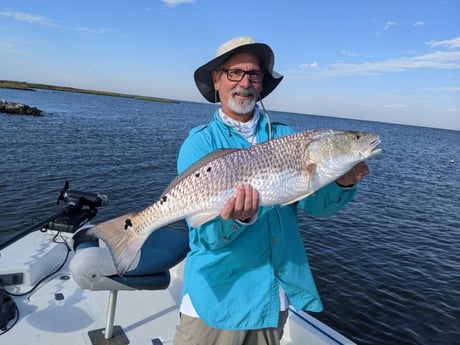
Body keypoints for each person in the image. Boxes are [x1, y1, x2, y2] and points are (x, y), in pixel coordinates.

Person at [173, 36, 369, 345]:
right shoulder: (200, 144)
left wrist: (343, 182)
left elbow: (315, 205)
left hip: (273, 298)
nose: (245, 82)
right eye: (235, 72)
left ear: (262, 84)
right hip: (219, 300)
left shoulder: (286, 137)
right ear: (217, 80)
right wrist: (239, 219)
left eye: (254, 74)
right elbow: (204, 236)